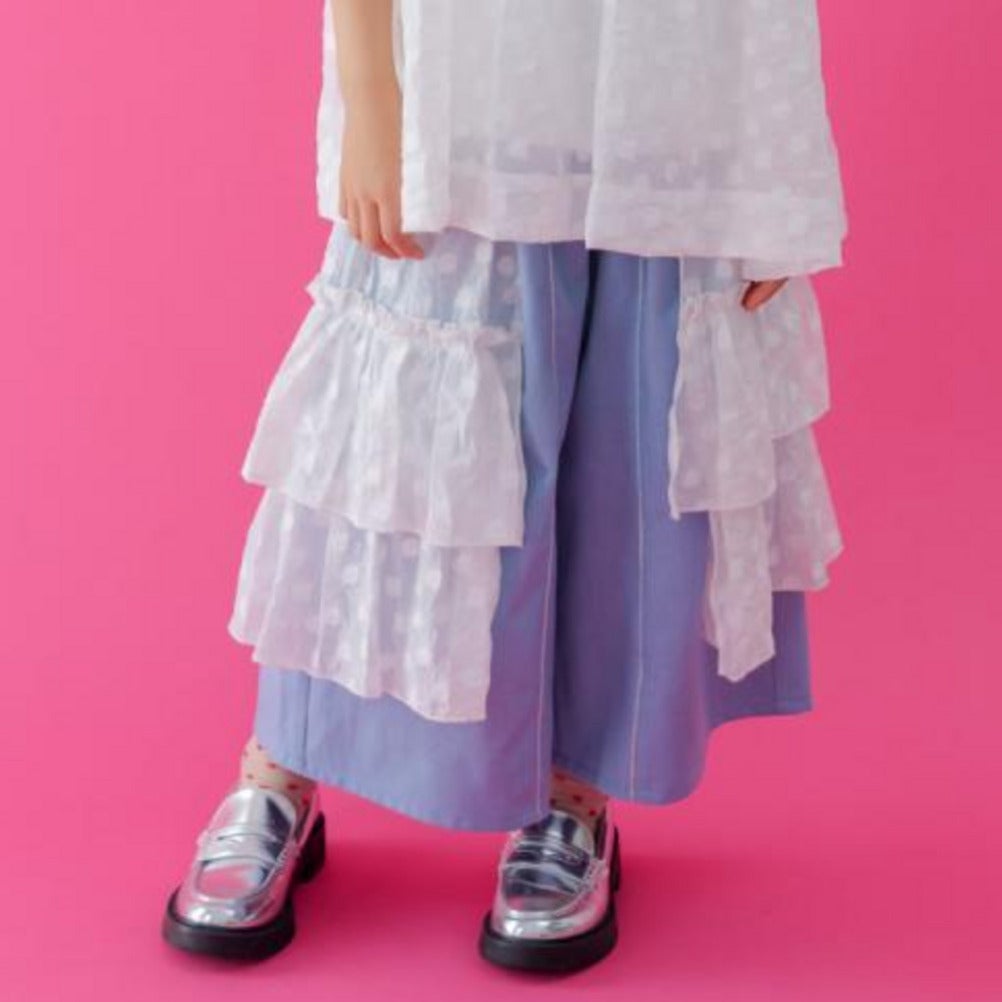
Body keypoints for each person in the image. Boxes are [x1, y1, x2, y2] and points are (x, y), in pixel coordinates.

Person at [162, 0, 846, 974]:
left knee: (628, 472)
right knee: (395, 448)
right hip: (472, 98)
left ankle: (573, 799)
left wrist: (774, 176)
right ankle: (280, 767)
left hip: (668, 110)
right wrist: (370, 99)